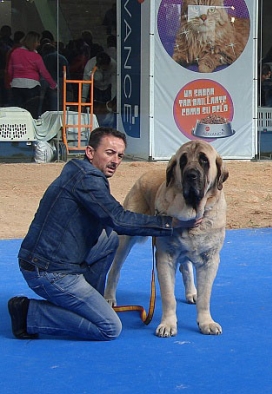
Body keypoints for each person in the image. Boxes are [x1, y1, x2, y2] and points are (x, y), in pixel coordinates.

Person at [8, 127, 203, 341]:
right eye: (109, 153)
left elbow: (113, 221)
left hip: (46, 260)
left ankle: (88, 300)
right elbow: (118, 219)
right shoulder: (88, 180)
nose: (116, 160)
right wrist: (170, 223)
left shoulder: (79, 170)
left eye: (120, 155)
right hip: (49, 271)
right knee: (109, 327)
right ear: (90, 152)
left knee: (109, 239)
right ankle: (29, 314)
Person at [6, 31, 57, 118]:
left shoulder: (15, 53)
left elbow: (10, 70)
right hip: (32, 86)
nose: (39, 44)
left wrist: (10, 82)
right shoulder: (36, 56)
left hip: (16, 85)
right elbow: (44, 72)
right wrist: (53, 85)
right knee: (32, 113)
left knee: (17, 112)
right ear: (33, 42)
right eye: (37, 41)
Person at [81, 51, 117, 127]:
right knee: (95, 109)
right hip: (95, 87)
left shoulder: (114, 65)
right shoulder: (89, 66)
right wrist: (82, 103)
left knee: (108, 110)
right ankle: (95, 125)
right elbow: (85, 85)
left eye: (106, 68)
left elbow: (114, 84)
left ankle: (108, 125)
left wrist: (112, 100)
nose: (105, 69)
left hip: (108, 87)